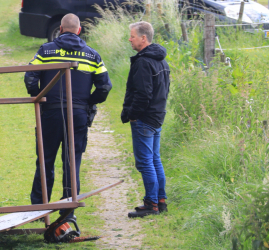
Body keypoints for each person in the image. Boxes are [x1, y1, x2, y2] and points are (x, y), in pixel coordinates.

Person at [25, 14, 112, 215]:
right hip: (78, 114)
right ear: (79, 30)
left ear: (61, 29)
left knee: (45, 161)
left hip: (50, 113)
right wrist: (89, 102)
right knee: (72, 162)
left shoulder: (46, 51)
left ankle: (38, 209)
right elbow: (105, 86)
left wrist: (37, 96)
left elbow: (30, 76)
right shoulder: (92, 55)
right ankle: (67, 212)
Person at [121, 21, 171, 218]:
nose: (129, 39)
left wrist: (132, 114)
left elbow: (143, 94)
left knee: (145, 162)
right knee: (155, 160)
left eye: (132, 36)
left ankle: (151, 204)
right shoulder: (161, 60)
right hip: (157, 116)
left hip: (144, 118)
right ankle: (161, 200)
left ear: (143, 38)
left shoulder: (143, 62)